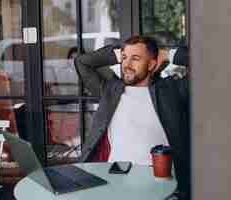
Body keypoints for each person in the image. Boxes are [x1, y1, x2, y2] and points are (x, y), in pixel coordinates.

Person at [74, 35, 190, 200]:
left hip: (162, 188)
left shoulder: (171, 91)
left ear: (151, 64)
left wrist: (168, 54)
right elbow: (82, 62)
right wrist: (116, 54)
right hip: (116, 185)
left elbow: (205, 64)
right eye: (124, 58)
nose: (127, 65)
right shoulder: (110, 90)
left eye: (135, 58)